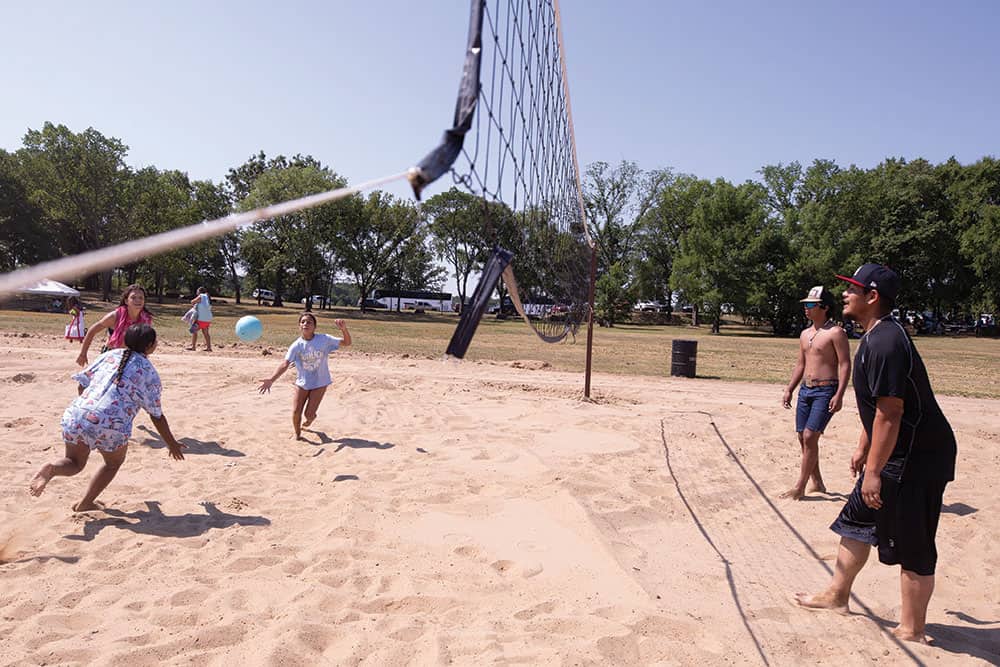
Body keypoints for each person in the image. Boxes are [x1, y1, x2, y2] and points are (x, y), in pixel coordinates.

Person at [795, 264, 958, 644]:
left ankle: (913, 629)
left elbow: (890, 411)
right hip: (893, 452)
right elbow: (878, 408)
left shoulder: (886, 341)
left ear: (873, 297)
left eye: (853, 289)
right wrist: (863, 448)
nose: (845, 295)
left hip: (919, 458)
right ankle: (837, 595)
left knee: (914, 543)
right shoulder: (873, 337)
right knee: (856, 518)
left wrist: (873, 470)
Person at [29, 323, 186, 511]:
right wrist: (171, 443)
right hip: (111, 425)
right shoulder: (149, 372)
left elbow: (82, 384)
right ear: (150, 345)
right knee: (113, 463)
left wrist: (90, 411)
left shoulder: (109, 355)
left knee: (74, 463)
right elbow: (156, 416)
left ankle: (52, 468)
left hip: (77, 414)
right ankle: (85, 503)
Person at [781, 285, 851, 500]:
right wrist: (790, 389)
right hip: (806, 390)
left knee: (811, 436)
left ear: (825, 307)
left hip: (826, 390)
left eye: (811, 305)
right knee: (803, 437)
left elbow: (845, 364)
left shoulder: (836, 332)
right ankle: (817, 482)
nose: (806, 308)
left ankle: (800, 487)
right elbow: (800, 364)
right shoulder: (805, 334)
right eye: (805, 305)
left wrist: (839, 394)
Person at [258, 314, 352, 440]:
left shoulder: (324, 339)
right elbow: (285, 364)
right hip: (302, 382)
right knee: (296, 411)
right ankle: (297, 434)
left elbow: (347, 342)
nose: (305, 324)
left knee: (309, 414)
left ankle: (310, 419)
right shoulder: (296, 345)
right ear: (299, 326)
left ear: (314, 326)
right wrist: (271, 379)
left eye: (309, 322)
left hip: (320, 382)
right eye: (303, 322)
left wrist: (343, 329)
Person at [76, 284, 153, 367]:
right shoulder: (115, 316)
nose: (138, 300)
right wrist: (83, 354)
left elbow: (149, 343)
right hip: (111, 356)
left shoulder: (146, 319)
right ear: (126, 301)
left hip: (133, 358)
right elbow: (92, 331)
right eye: (133, 297)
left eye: (141, 298)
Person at [187, 287, 213, 352]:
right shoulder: (207, 298)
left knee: (194, 331)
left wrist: (195, 304)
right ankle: (209, 348)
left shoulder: (201, 296)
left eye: (197, 291)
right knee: (206, 333)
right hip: (207, 319)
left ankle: (193, 347)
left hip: (200, 319)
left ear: (199, 292)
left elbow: (192, 301)